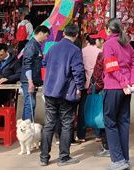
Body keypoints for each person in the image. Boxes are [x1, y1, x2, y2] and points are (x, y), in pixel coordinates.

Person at [39, 24, 85, 167]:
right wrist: (80, 87)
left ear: (64, 33)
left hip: (49, 91)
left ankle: (44, 157)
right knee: (66, 123)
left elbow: (44, 63)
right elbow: (78, 71)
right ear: (76, 35)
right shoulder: (75, 50)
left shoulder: (52, 48)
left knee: (49, 124)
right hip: (65, 92)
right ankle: (63, 157)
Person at [102, 18, 134, 170]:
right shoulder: (127, 44)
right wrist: (131, 82)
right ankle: (125, 159)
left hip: (113, 87)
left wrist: (124, 83)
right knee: (123, 122)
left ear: (108, 29)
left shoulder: (108, 44)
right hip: (126, 88)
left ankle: (118, 160)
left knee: (110, 122)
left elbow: (111, 67)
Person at [77, 33, 104, 142]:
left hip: (84, 84)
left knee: (83, 109)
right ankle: (98, 134)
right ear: (96, 41)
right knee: (97, 107)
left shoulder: (82, 51)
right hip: (96, 85)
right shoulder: (100, 52)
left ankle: (81, 135)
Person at [20, 25, 50, 120]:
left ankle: (25, 125)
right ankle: (27, 126)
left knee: (30, 104)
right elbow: (27, 64)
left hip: (34, 79)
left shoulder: (37, 45)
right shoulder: (31, 45)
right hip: (28, 80)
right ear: (40, 33)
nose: (46, 39)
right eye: (46, 36)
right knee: (30, 103)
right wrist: (30, 81)